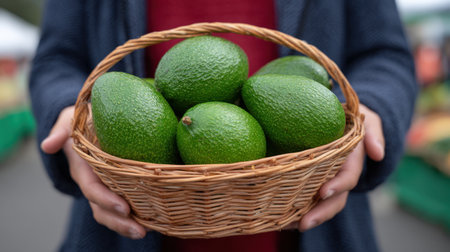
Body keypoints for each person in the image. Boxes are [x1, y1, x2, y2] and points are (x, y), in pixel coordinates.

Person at [29, 0, 417, 251]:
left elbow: (384, 54)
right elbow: (56, 59)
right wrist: (70, 115)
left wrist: (370, 111)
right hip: (129, 208)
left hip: (314, 213)